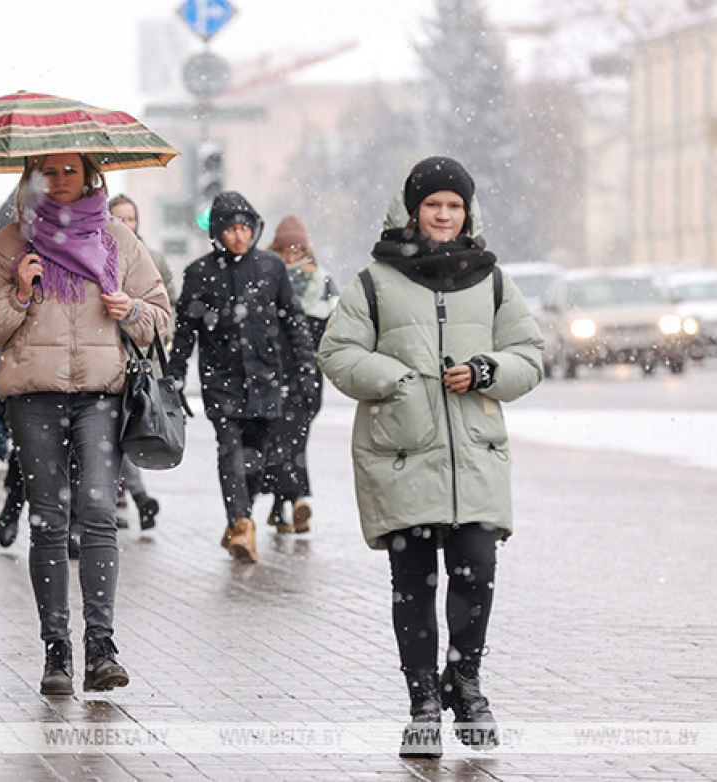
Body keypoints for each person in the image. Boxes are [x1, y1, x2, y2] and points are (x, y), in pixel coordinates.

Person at [317, 156, 543, 756]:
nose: (444, 215)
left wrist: (490, 370)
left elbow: (530, 353)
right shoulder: (375, 281)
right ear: (413, 210)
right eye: (433, 205)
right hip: (400, 452)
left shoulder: (493, 280)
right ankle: (421, 698)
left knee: (476, 571)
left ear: (468, 213)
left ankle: (465, 684)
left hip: (474, 454)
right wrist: (395, 378)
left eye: (454, 205)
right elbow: (337, 352)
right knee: (412, 581)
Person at [0, 152, 171, 695]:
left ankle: (101, 644)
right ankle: (57, 650)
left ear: (90, 176)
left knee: (99, 513)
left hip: (101, 396)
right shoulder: (11, 241)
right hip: (34, 398)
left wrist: (134, 312)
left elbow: (160, 314)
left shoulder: (118, 239)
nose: (59, 181)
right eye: (47, 172)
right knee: (49, 521)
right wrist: (19, 293)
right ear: (31, 178)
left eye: (69, 171)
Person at [168, 192, 318, 564]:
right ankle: (240, 520)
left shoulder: (271, 268)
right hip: (222, 380)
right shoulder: (200, 273)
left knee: (258, 457)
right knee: (231, 453)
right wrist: (174, 378)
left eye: (245, 228)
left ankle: (242, 518)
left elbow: (293, 320)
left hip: (266, 378)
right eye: (232, 229)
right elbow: (185, 332)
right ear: (218, 232)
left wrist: (306, 367)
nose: (240, 236)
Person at [260, 215, 340, 533]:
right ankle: (296, 499)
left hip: (306, 371)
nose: (291, 257)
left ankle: (282, 505)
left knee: (294, 438)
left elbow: (334, 326)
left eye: (297, 250)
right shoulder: (267, 277)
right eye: (284, 250)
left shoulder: (322, 281)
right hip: (274, 372)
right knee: (284, 439)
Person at [107, 194, 173, 530]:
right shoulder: (99, 257)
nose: (125, 225)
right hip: (108, 359)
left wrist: (162, 336)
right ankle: (133, 496)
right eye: (117, 218)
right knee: (115, 431)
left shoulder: (153, 258)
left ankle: (131, 495)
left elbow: (166, 305)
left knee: (131, 428)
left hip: (142, 361)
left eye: (130, 218)